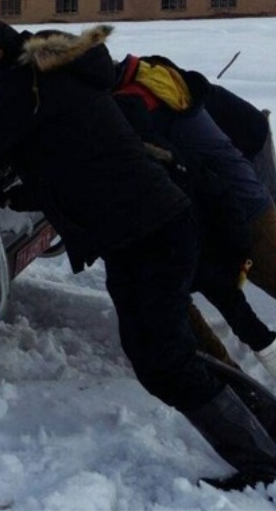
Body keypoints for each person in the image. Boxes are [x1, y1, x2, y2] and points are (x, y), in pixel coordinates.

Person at [0, 19, 276, 491]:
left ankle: (262, 462)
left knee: (162, 359)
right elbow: (53, 160)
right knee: (164, 351)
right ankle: (266, 431)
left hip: (147, 237)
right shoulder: (51, 80)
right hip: (149, 231)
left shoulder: (24, 87)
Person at [113, 52, 276, 377]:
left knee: (253, 252)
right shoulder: (149, 78)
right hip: (226, 176)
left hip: (237, 177)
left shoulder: (133, 103)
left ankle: (236, 381)